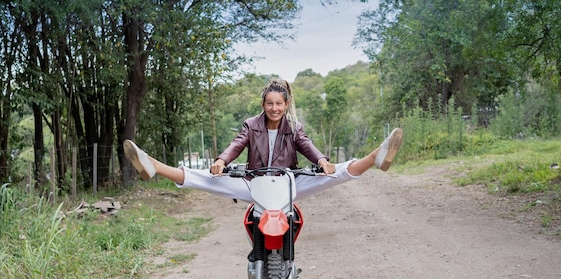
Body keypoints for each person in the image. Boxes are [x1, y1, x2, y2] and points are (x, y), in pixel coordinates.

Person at [123, 78, 403, 202]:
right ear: (263, 104)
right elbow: (237, 144)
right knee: (204, 177)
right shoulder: (251, 124)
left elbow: (306, 145)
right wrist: (221, 160)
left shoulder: (294, 127)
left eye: (279, 103)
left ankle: (377, 155)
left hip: (289, 182)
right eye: (269, 103)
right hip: (254, 183)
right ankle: (152, 165)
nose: (274, 108)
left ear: (286, 103)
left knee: (337, 172)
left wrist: (321, 161)